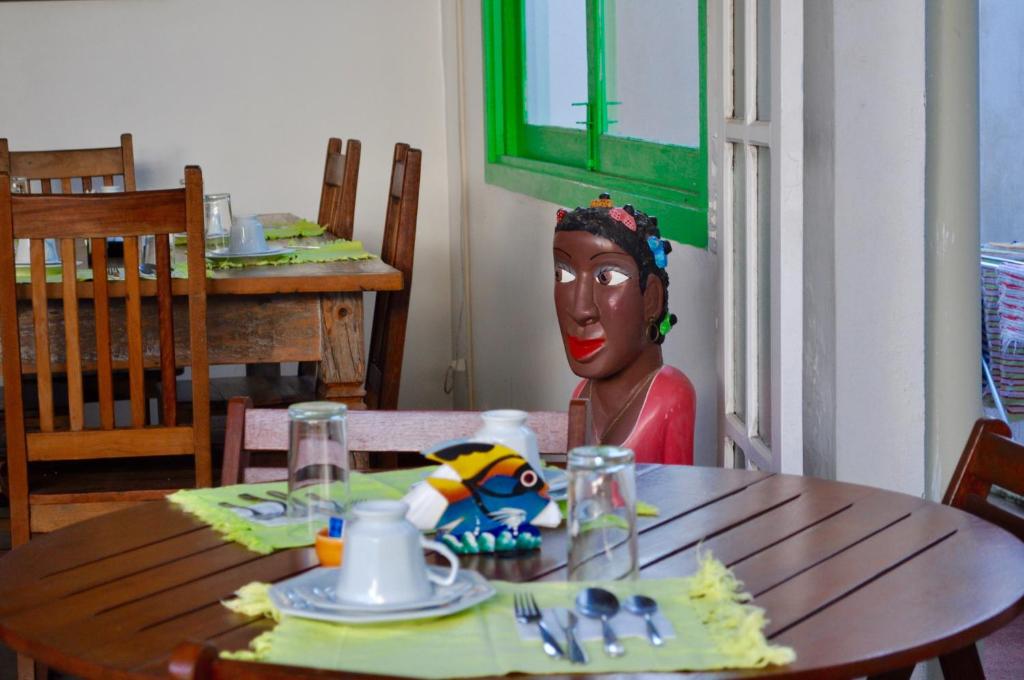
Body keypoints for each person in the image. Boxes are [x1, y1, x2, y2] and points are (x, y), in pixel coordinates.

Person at [553, 194, 695, 464]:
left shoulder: (671, 395)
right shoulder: (582, 394)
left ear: (652, 298)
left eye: (607, 277)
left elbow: (682, 492)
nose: (581, 310)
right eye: (563, 275)